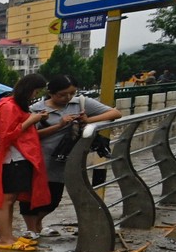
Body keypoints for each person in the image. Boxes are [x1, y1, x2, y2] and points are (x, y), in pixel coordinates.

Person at [21, 74, 121, 238]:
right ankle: (31, 228)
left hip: (65, 159)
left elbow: (115, 113)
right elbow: (30, 136)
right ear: (51, 93)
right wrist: (60, 125)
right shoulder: (37, 110)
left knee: (53, 199)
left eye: (71, 93)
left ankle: (37, 225)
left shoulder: (81, 103)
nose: (67, 97)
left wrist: (88, 120)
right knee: (33, 197)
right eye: (62, 94)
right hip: (40, 159)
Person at [0, 73, 50, 251]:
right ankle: (3, 239)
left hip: (19, 158)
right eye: (36, 91)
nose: (35, 95)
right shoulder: (7, 106)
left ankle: (7, 235)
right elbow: (7, 135)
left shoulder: (14, 105)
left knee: (10, 199)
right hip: (12, 159)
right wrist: (32, 120)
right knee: (4, 200)